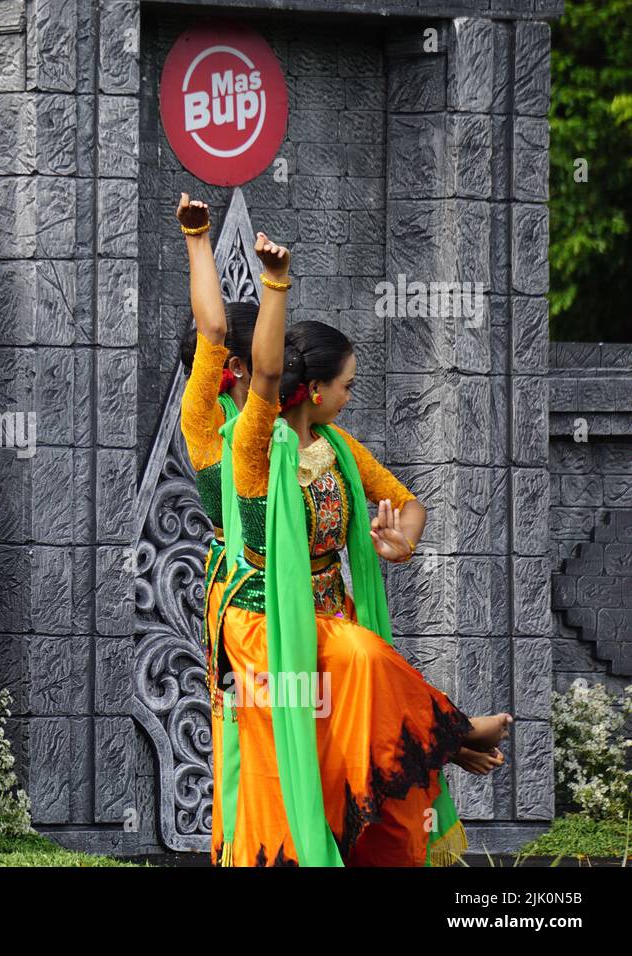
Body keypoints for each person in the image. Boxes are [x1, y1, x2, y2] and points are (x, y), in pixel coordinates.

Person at [213, 231, 511, 866]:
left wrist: (404, 538)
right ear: (315, 388)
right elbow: (264, 372)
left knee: (363, 736)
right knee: (358, 660)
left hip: (328, 616)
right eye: (347, 385)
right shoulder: (253, 450)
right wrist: (276, 284)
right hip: (268, 628)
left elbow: (408, 501)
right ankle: (451, 736)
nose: (352, 397)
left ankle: (438, 748)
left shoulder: (341, 452)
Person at [171, 193, 259, 865]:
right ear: (232, 373)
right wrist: (200, 242)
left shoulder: (293, 436)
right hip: (247, 610)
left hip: (319, 602)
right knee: (249, 739)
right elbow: (213, 332)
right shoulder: (209, 428)